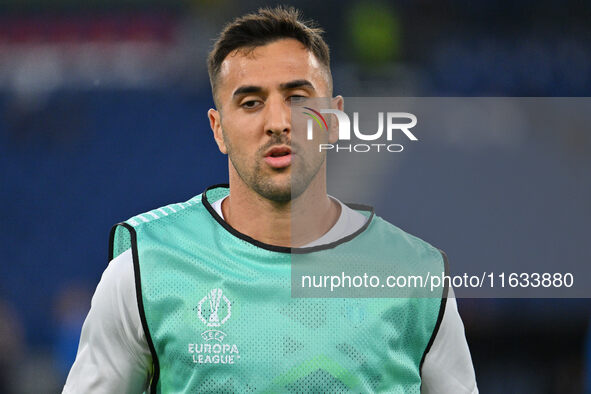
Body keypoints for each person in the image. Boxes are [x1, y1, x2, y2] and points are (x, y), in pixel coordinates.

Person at [63, 6, 478, 393]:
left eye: (298, 98)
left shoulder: (416, 275)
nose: (278, 122)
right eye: (250, 103)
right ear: (218, 129)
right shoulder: (144, 268)